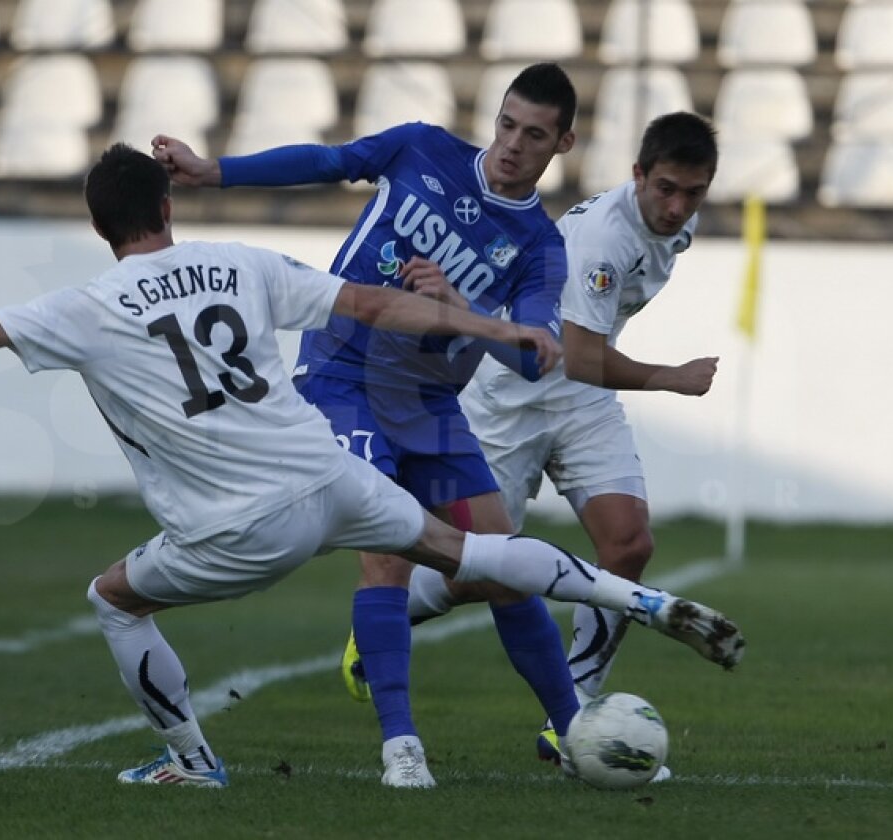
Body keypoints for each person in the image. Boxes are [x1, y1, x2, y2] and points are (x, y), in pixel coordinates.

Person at [0, 143, 744, 790]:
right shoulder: (242, 263)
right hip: (332, 478)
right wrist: (489, 322)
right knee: (471, 546)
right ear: (169, 202)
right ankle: (641, 603)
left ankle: (193, 764)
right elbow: (375, 304)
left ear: (99, 224)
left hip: (235, 528)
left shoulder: (86, 307)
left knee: (114, 595)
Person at [153, 63, 587, 778]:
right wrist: (212, 172)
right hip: (342, 376)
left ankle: (578, 733)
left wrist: (461, 312)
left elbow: (536, 359)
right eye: (507, 123)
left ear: (563, 143)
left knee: (504, 564)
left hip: (429, 404)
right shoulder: (420, 148)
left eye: (533, 134)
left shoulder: (541, 246)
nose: (512, 144)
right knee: (386, 543)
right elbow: (326, 161)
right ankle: (401, 747)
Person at [406, 112, 721, 779]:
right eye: (665, 188)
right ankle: (388, 611)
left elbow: (582, 364)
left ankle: (572, 715)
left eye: (692, 193)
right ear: (637, 175)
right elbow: (581, 356)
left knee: (630, 545)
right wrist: (670, 377)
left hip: (577, 396)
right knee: (485, 569)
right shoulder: (603, 239)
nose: (676, 207)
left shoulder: (676, 225)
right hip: (511, 393)